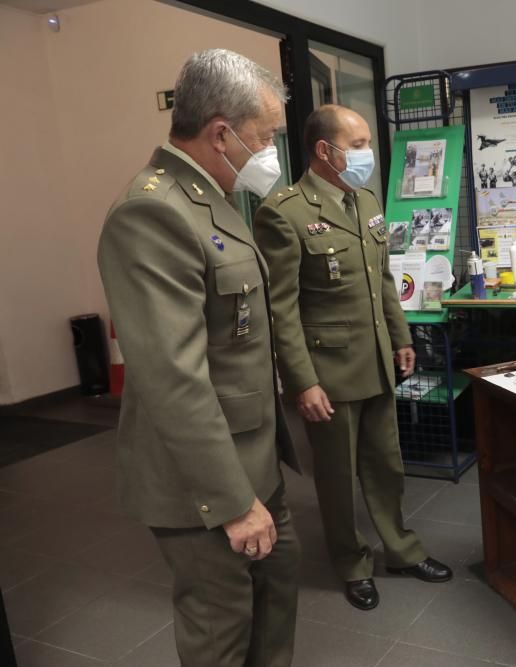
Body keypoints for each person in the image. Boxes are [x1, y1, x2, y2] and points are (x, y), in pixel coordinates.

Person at [97, 49, 301, 666]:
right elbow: (173, 379)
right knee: (221, 630)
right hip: (206, 487)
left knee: (275, 601)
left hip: (252, 457)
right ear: (222, 133)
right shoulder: (154, 211)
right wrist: (235, 503)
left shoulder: (209, 196)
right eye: (265, 138)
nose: (270, 153)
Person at [254, 104, 452, 612]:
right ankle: (352, 564)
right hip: (329, 372)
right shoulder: (286, 212)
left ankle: (402, 550)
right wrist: (302, 382)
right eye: (359, 144)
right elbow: (282, 309)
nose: (368, 154)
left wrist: (401, 337)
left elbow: (381, 280)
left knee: (387, 466)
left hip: (377, 361)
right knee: (339, 479)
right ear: (325, 150)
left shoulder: (364, 201)